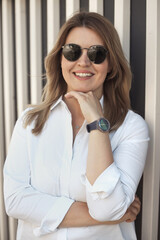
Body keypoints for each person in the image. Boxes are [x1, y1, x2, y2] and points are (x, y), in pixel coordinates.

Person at [3, 11, 149, 240]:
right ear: (60, 59)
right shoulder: (30, 122)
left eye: (97, 53)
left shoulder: (131, 127)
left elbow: (106, 209)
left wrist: (97, 123)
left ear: (110, 65)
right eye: (72, 51)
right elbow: (15, 201)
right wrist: (118, 214)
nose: (83, 61)